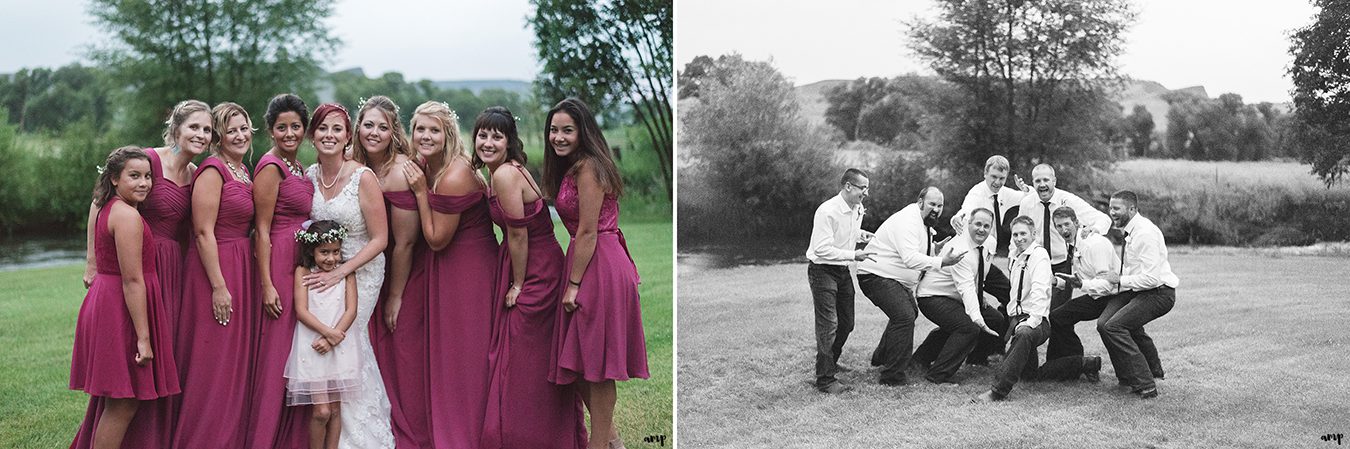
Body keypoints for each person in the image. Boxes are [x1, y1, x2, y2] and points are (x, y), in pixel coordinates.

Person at [73, 100, 207, 449]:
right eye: (194, 126)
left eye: (207, 129)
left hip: (169, 269)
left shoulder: (197, 174)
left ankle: (157, 438)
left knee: (155, 368)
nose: (201, 135)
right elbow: (98, 201)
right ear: (176, 128)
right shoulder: (146, 160)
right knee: (127, 375)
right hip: (135, 266)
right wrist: (92, 260)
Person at [476, 106, 587, 449]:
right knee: (527, 353)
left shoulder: (506, 175)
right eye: (483, 135)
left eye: (497, 136)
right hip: (532, 261)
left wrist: (519, 284)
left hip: (537, 269)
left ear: (510, 142)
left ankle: (531, 434)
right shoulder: (500, 172)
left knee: (525, 354)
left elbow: (519, 235)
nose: (489, 142)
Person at [543, 98, 651, 449]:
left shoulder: (590, 167)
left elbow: (588, 230)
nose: (558, 137)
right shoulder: (574, 166)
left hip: (598, 263)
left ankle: (599, 443)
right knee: (577, 362)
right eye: (554, 130)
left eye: (567, 130)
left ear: (583, 131)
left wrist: (573, 284)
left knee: (598, 364)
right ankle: (613, 441)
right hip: (587, 258)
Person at [397, 101, 499, 448]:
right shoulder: (427, 164)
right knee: (451, 355)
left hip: (470, 271)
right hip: (449, 270)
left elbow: (437, 240)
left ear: (448, 134)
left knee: (467, 354)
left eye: (433, 130)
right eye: (419, 129)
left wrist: (421, 194)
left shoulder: (454, 174)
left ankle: (470, 433)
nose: (425, 136)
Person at [69, 147, 180, 449]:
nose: (144, 183)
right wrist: (144, 338)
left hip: (107, 302)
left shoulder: (110, 206)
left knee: (119, 402)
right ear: (115, 179)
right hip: (119, 310)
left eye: (147, 176)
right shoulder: (127, 216)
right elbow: (133, 281)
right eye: (134, 176)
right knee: (123, 403)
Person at [303, 102, 395, 447]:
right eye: (323, 128)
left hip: (364, 268)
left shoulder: (362, 177)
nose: (329, 135)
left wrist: (342, 271)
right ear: (312, 135)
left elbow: (381, 239)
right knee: (330, 339)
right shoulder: (309, 175)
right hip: (322, 271)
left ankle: (359, 438)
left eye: (337, 129)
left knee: (350, 338)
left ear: (347, 137)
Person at [173, 102, 259, 448]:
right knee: (214, 361)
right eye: (230, 130)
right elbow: (203, 232)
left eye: (244, 128)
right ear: (218, 138)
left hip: (241, 266)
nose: (239, 135)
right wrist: (219, 286)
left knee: (234, 362)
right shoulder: (212, 170)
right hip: (215, 270)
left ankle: (230, 435)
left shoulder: (244, 171)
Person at [345, 95, 423, 447]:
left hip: (397, 269)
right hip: (356, 265)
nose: (374, 132)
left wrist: (394, 295)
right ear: (358, 127)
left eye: (383, 126)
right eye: (368, 124)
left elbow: (405, 243)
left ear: (394, 132)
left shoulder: (402, 170)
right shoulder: (350, 163)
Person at [970, 216, 1102, 402]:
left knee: (1024, 335)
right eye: (1015, 234)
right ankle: (1085, 363)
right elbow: (1039, 282)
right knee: (1030, 376)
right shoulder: (1016, 255)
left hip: (1035, 321)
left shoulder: (1038, 255)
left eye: (1023, 233)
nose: (1018, 238)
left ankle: (998, 391)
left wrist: (1031, 322)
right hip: (1017, 318)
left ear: (1034, 234)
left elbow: (1040, 291)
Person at [249, 93, 315, 449]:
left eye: (295, 126)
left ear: (304, 129)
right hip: (278, 262)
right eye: (281, 127)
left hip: (299, 263)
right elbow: (261, 228)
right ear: (271, 130)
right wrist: (267, 285)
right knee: (277, 355)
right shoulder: (271, 167)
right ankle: (264, 437)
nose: (289, 133)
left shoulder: (298, 167)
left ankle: (291, 436)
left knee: (296, 351)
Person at [856, 187, 964, 386]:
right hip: (876, 275)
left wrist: (934, 249)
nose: (936, 209)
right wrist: (942, 262)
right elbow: (909, 259)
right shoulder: (908, 220)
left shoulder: (923, 223)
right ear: (920, 201)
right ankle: (892, 376)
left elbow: (915, 250)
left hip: (891, 278)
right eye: (932, 204)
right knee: (904, 316)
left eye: (940, 206)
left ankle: (881, 357)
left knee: (908, 313)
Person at [1045, 207, 1164, 384]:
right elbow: (1080, 277)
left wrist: (1083, 284)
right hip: (1097, 294)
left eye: (1067, 224)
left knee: (1114, 326)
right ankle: (1076, 365)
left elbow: (1107, 283)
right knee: (1058, 317)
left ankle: (1151, 372)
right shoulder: (1072, 244)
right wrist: (1058, 282)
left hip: (1117, 294)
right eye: (1059, 226)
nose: (1063, 230)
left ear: (1077, 223)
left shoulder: (1095, 244)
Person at [1014, 163, 1111, 361]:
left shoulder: (1068, 200)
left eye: (1046, 180)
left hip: (1061, 265)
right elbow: (1018, 231)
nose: (1042, 185)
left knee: (1057, 314)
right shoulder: (1027, 203)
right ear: (1033, 183)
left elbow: (1102, 218)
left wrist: (1094, 230)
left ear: (1054, 181)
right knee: (1030, 309)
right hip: (1035, 263)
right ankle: (1026, 360)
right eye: (1037, 181)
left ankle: (1064, 360)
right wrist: (1013, 259)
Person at [285, 220, 361, 449]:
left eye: (336, 252)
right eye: (324, 252)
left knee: (336, 410)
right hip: (313, 345)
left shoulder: (346, 273)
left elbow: (351, 309)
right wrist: (328, 334)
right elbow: (301, 311)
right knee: (322, 411)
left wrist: (333, 339)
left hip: (338, 345)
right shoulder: (304, 271)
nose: (331, 258)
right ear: (312, 251)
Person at [1098, 190, 1179, 399]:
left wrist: (1120, 280)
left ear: (1132, 209)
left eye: (1116, 208)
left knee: (1115, 326)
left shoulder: (1145, 233)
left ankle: (1145, 384)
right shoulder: (1131, 230)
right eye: (1110, 208)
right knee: (1104, 324)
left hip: (1159, 293)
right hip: (1139, 290)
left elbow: (1152, 278)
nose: (1111, 212)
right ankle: (1131, 376)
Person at [912, 209, 1004, 385]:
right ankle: (938, 375)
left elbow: (979, 272)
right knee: (968, 327)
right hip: (932, 296)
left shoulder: (990, 242)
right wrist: (977, 318)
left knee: (996, 319)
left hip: (954, 296)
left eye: (986, 226)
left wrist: (980, 294)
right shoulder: (960, 249)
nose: (982, 229)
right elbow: (966, 288)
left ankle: (974, 360)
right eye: (978, 224)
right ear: (968, 224)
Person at [805, 168, 874, 394]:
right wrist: (855, 255)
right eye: (862, 188)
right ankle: (825, 380)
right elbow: (822, 249)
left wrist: (860, 235)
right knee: (829, 325)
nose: (866, 193)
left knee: (847, 323)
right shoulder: (827, 211)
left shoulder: (857, 208)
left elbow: (845, 233)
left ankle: (830, 362)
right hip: (822, 271)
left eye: (867, 188)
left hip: (842, 270)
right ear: (848, 186)